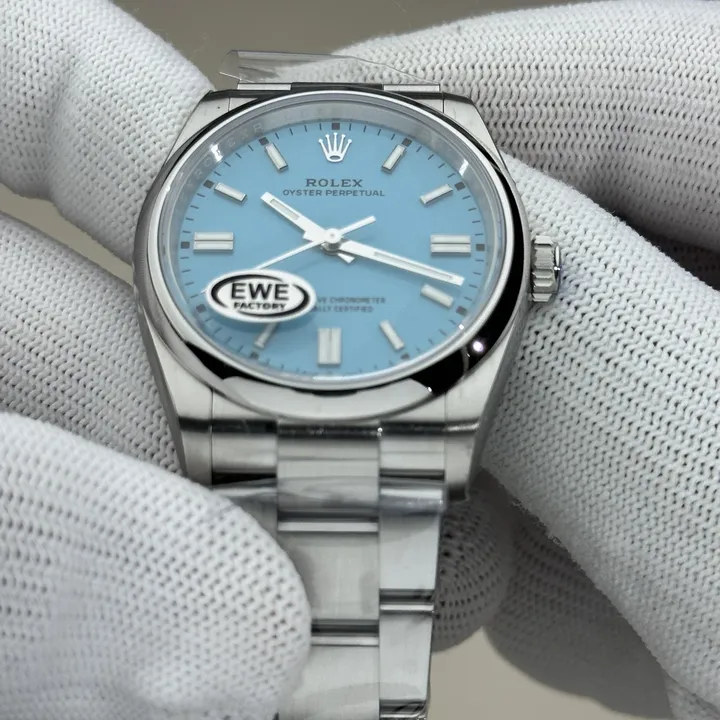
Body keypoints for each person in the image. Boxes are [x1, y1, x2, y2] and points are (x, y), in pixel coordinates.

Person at [1, 0, 718, 717]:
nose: (332, 247)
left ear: (535, 271)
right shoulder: (214, 185)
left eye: (337, 245)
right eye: (324, 243)